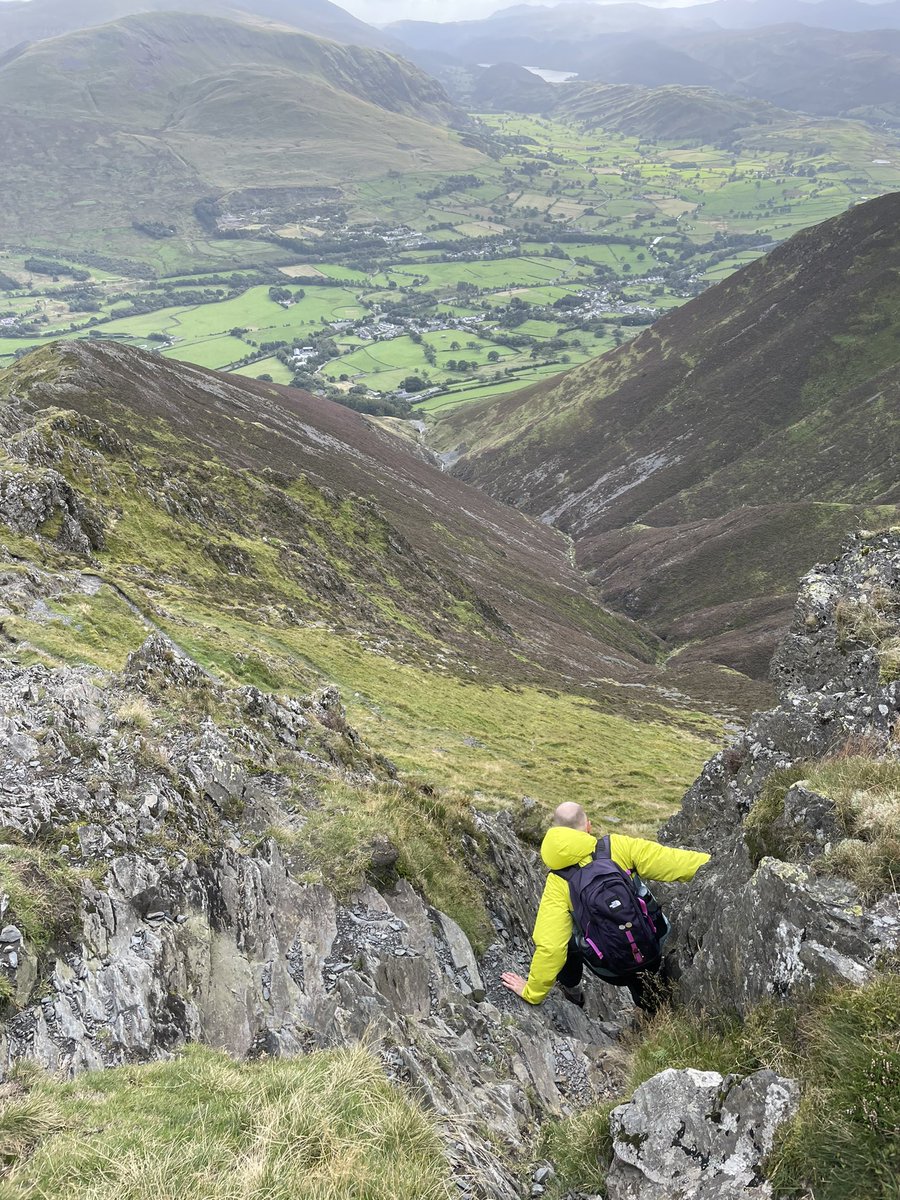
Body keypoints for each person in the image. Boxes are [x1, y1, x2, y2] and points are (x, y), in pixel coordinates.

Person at [501, 801, 709, 1012]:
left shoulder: (557, 882)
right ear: (588, 827)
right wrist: (724, 863)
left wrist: (532, 992)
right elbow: (674, 861)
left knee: (566, 938)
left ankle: (572, 990)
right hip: (655, 940)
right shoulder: (617, 846)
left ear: (555, 831)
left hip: (612, 968)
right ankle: (654, 1006)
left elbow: (551, 948)